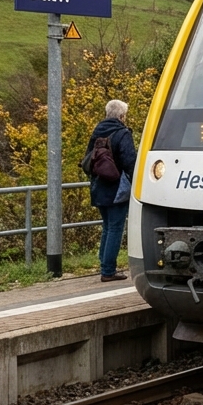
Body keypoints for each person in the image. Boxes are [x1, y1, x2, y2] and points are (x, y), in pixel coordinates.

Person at [88, 99, 137, 282]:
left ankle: (104, 263)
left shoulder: (97, 131)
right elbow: (129, 160)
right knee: (116, 228)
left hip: (99, 185)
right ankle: (108, 271)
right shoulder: (122, 133)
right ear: (121, 116)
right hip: (117, 187)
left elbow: (88, 159)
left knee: (107, 227)